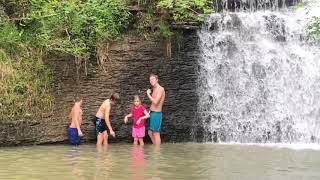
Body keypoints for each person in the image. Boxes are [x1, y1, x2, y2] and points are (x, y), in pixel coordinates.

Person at [147, 74, 165, 145]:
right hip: (151, 112)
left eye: (153, 79)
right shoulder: (154, 89)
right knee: (149, 132)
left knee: (156, 133)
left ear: (157, 80)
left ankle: (157, 152)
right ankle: (155, 149)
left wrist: (148, 94)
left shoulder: (161, 89)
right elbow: (153, 104)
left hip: (157, 113)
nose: (151, 81)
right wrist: (149, 111)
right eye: (150, 80)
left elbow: (155, 102)